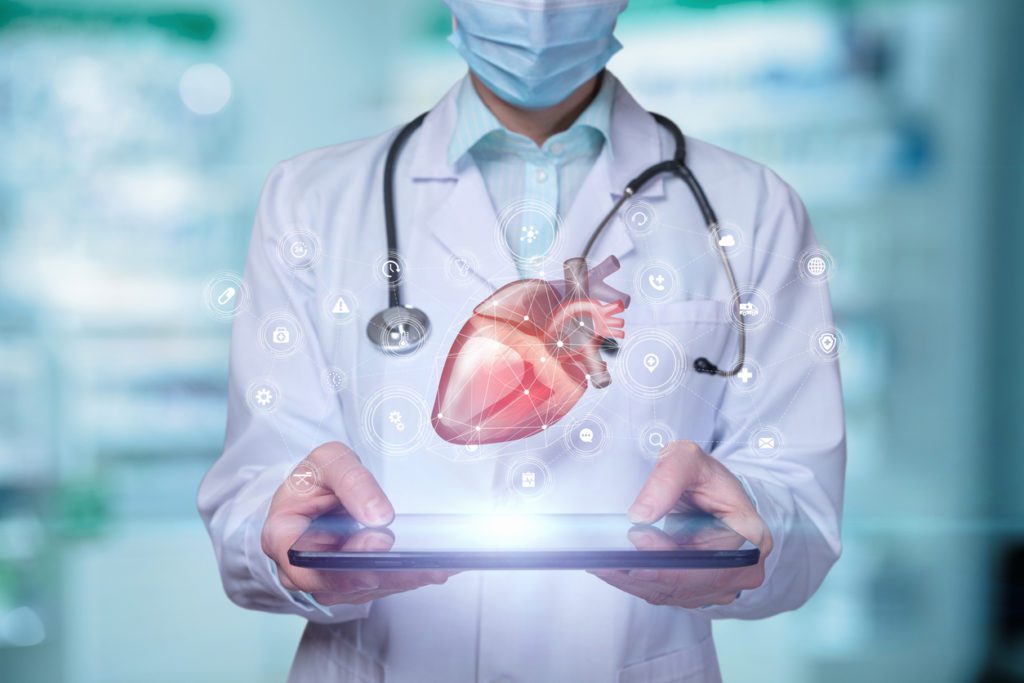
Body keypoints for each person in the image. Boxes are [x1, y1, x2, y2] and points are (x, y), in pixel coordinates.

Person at [198, 1, 846, 681]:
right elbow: (252, 496)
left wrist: (746, 533)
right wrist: (287, 539)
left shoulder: (751, 210)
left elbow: (802, 510)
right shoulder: (311, 201)